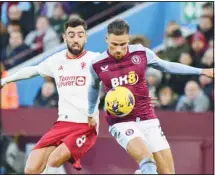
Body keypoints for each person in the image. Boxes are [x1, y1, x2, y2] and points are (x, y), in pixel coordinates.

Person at [87, 19, 214, 174]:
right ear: (106, 39)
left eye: (123, 44)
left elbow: (167, 66)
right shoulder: (97, 64)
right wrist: (91, 112)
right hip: (120, 121)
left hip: (147, 117)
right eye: (114, 44)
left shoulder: (141, 53)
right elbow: (93, 88)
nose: (119, 49)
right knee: (147, 161)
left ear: (128, 38)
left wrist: (200, 71)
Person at [0, 15, 100, 174]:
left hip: (85, 126)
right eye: (71, 35)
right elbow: (32, 70)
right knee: (31, 169)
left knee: (53, 162)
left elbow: (116, 78)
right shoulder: (56, 60)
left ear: (86, 37)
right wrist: (6, 80)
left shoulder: (96, 60)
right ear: (64, 37)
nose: (76, 39)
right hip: (62, 125)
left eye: (80, 35)